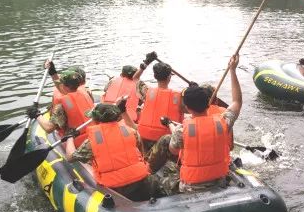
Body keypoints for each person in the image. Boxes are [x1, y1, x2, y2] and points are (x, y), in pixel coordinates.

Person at [167, 55, 242, 193]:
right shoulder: (223, 122)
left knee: (166, 178)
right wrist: (233, 70)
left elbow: (173, 150)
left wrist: (172, 128)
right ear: (208, 103)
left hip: (190, 188)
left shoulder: (181, 130)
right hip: (219, 182)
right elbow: (237, 101)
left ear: (188, 108)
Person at [64, 102, 157, 201]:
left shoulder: (92, 142)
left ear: (96, 120)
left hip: (116, 188)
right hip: (141, 180)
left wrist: (70, 137)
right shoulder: (131, 131)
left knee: (85, 164)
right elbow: (141, 151)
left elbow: (70, 158)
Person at [28, 69, 94, 148]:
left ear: (63, 86)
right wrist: (53, 72)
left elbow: (49, 128)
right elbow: (60, 86)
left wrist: (37, 114)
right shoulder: (86, 92)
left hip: (78, 144)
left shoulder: (61, 106)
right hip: (93, 136)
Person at [137, 61, 184, 151]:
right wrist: (194, 88)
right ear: (169, 77)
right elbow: (194, 108)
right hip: (168, 138)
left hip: (144, 135)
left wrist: (145, 64)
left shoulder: (146, 91)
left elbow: (135, 79)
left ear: (155, 77)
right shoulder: (179, 96)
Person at [102, 51, 156, 122]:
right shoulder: (139, 85)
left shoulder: (113, 80)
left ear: (122, 74)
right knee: (141, 107)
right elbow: (147, 98)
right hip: (127, 118)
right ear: (135, 74)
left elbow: (105, 90)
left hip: (107, 113)